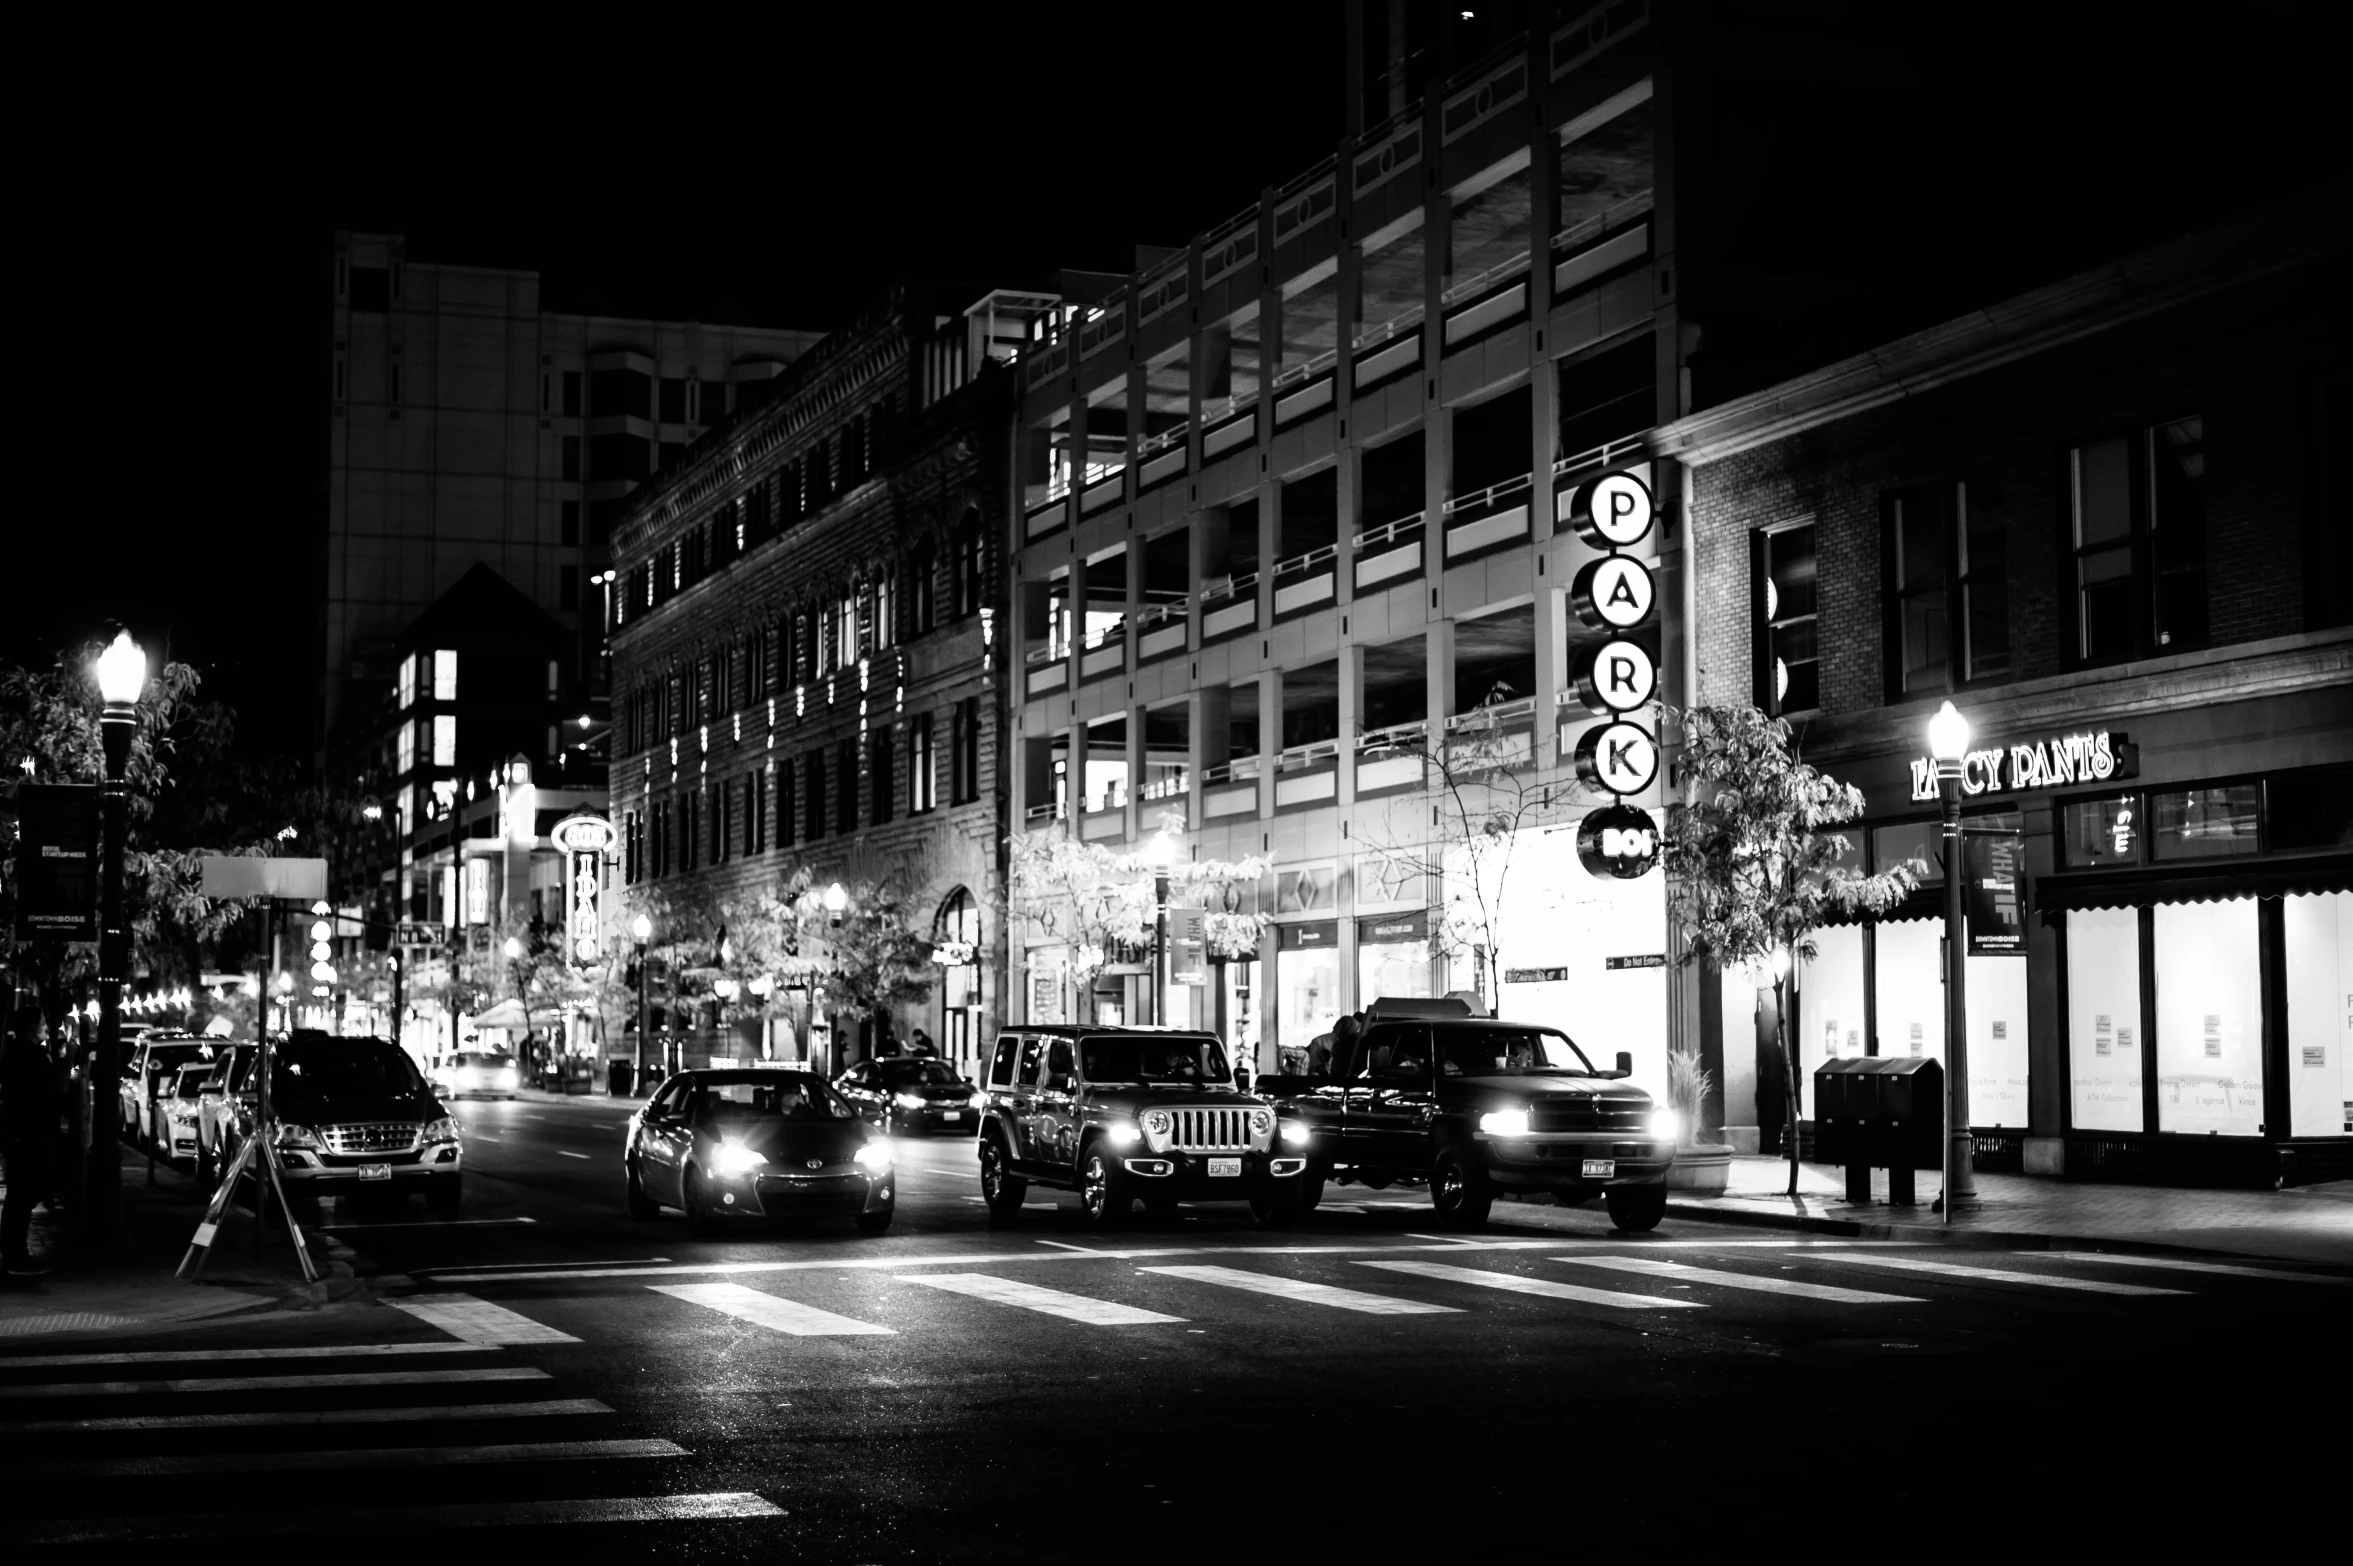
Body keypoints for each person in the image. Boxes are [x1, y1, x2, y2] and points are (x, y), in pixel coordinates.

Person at [3, 1006, 60, 1278]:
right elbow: (47, 1092)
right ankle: (16, 1256)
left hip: (23, 1133)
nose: (46, 1026)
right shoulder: (28, 1054)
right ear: (31, 1026)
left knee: (21, 1195)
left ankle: (15, 1253)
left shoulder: (18, 1052)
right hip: (28, 1134)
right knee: (21, 1196)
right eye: (42, 1021)